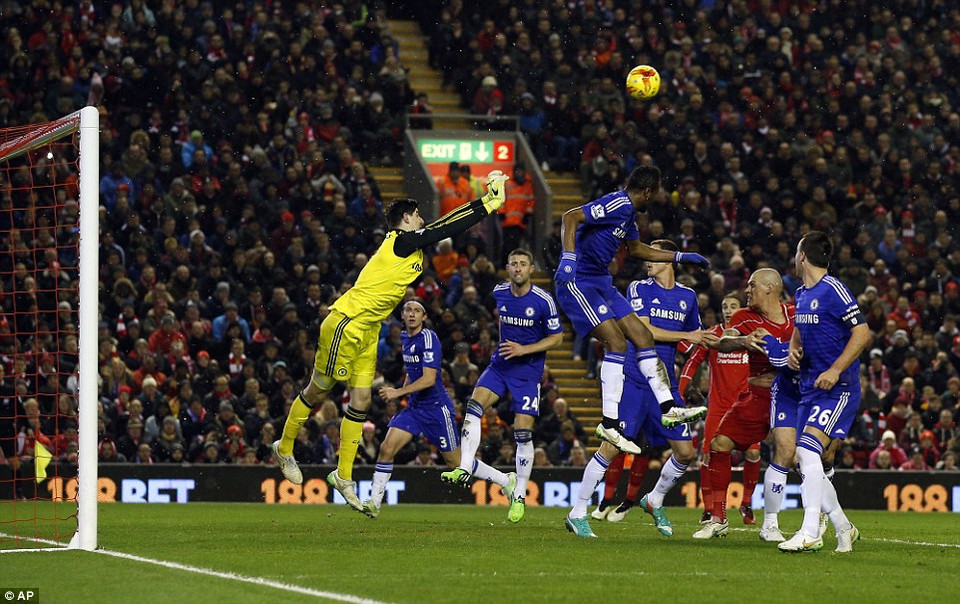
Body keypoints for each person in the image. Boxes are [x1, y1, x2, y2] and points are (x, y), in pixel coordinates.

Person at [271, 171, 510, 511]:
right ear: (407, 219)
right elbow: (445, 227)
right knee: (319, 389)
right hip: (346, 322)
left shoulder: (409, 247)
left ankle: (343, 476)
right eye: (419, 216)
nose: (423, 221)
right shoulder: (399, 240)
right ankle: (284, 446)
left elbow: (441, 227)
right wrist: (489, 202)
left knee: (361, 401)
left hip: (369, 330)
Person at [553, 166, 709, 457]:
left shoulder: (629, 216)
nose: (659, 196)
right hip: (579, 281)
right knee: (616, 343)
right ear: (648, 191)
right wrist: (569, 257)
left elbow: (637, 250)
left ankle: (669, 408)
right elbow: (570, 216)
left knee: (642, 336)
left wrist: (680, 256)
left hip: (601, 281)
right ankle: (610, 423)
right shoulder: (619, 203)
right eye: (658, 191)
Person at [568, 239, 717, 537]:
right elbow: (643, 332)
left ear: (668, 261)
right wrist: (690, 335)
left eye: (654, 255)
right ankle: (578, 510)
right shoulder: (638, 288)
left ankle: (654, 499)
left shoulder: (688, 297)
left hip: (664, 383)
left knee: (685, 453)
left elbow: (691, 342)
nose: (648, 259)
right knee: (611, 446)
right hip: (635, 379)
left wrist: (719, 344)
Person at [440, 249, 564, 523]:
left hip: (528, 373)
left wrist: (525, 349)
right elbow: (501, 320)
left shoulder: (544, 301)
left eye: (523, 264)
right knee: (473, 406)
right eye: (513, 264)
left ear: (532, 269)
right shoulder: (499, 292)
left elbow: (557, 338)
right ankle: (464, 467)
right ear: (507, 268)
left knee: (522, 431)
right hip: (500, 365)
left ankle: (519, 493)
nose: (518, 268)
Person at [362, 300, 515, 518]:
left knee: (456, 463)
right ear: (403, 316)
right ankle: (374, 503)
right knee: (386, 448)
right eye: (408, 310)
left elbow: (428, 379)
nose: (412, 314)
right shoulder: (405, 338)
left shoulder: (428, 338)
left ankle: (505, 480)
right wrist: (404, 393)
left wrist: (397, 393)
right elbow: (412, 373)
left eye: (417, 311)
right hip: (415, 407)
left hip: (437, 409)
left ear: (424, 317)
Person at [779, 231, 870, 553]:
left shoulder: (833, 289)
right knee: (805, 461)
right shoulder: (802, 293)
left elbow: (862, 333)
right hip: (809, 388)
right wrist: (793, 348)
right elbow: (800, 329)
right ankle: (843, 527)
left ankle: (810, 531)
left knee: (805, 451)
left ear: (802, 255)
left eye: (795, 250)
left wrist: (835, 369)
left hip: (838, 387)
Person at [695, 269, 794, 540]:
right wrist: (744, 341)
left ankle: (810, 520)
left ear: (770, 288)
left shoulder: (796, 315)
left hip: (792, 395)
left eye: (752, 286)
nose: (746, 291)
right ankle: (718, 517)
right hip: (758, 397)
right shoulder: (744, 317)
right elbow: (724, 341)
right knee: (719, 444)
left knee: (799, 458)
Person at [679, 294, 755, 526]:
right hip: (718, 407)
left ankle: (747, 502)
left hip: (745, 408)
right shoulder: (712, 335)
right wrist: (681, 392)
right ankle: (709, 508)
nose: (729, 310)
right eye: (725, 306)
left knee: (753, 454)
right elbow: (692, 362)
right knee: (708, 455)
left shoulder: (751, 335)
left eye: (734, 306)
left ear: (742, 309)